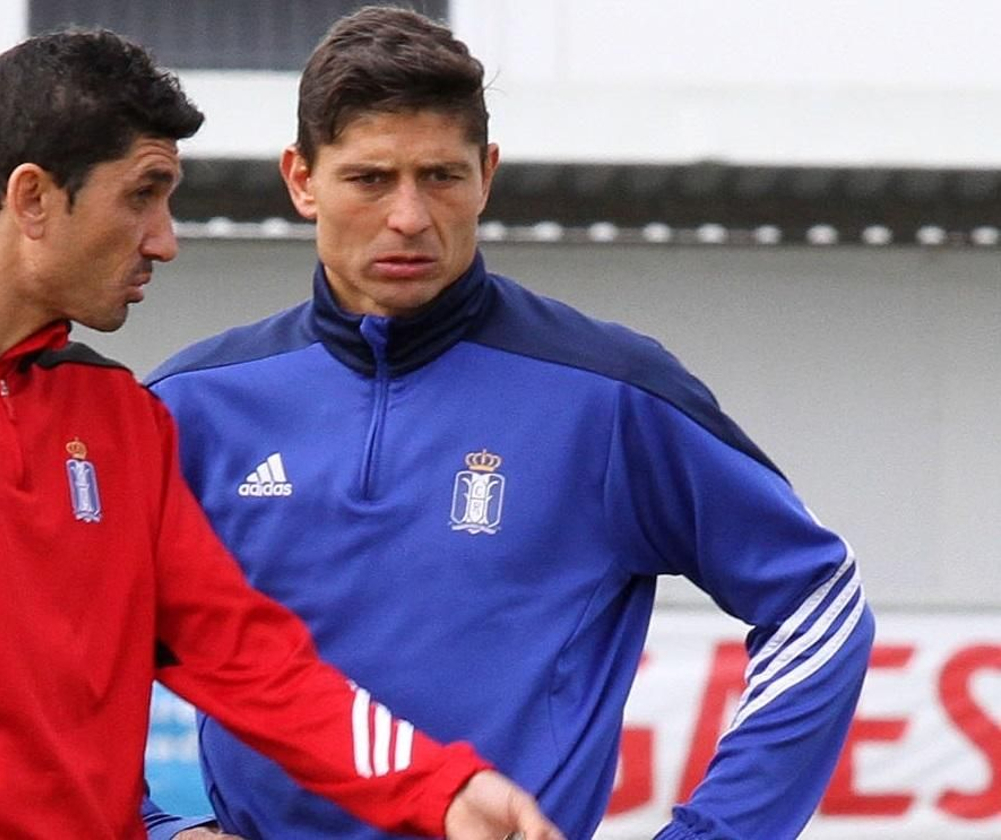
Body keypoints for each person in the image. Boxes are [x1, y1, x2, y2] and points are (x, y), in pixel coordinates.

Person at [0, 26, 563, 840]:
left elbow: (247, 658)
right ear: (33, 198)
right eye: (142, 195)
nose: (164, 238)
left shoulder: (121, 418)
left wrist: (443, 791)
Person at [143, 7, 874, 840]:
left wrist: (717, 832)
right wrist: (154, 827)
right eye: (370, 179)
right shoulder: (192, 405)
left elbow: (821, 601)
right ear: (302, 179)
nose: (410, 216)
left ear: (486, 175)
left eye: (442, 177)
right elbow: (56, 640)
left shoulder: (608, 395)